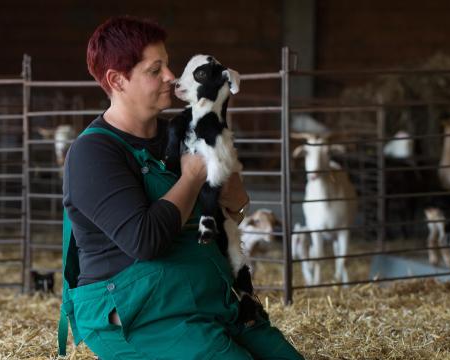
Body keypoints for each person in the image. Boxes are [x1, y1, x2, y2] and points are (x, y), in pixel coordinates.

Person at [58, 15, 304, 360]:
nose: (172, 77)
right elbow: (146, 240)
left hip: (205, 297)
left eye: (169, 65)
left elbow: (235, 206)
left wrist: (236, 199)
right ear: (117, 80)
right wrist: (191, 178)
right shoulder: (94, 153)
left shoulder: (182, 131)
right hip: (135, 312)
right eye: (154, 70)